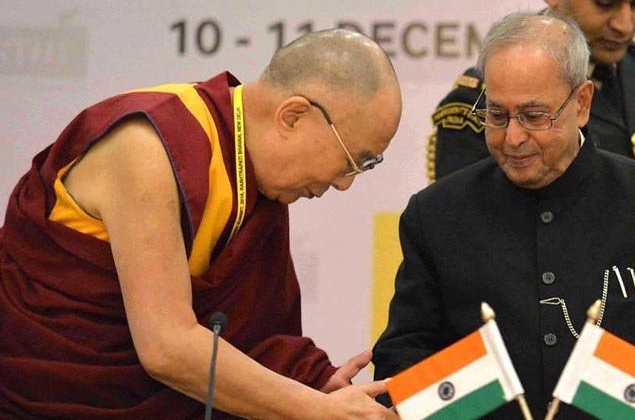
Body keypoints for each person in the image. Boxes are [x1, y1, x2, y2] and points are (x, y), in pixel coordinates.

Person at [0, 29, 402, 419]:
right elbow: (167, 347)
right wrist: (313, 410)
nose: (345, 183)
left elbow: (250, 337)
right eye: (353, 159)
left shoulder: (251, 180)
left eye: (366, 167)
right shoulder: (149, 146)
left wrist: (306, 388)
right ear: (293, 116)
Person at [374, 13, 635, 419]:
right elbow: (403, 357)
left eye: (535, 116)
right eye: (497, 115)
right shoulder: (436, 215)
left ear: (582, 103)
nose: (513, 138)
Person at [427, 0, 635, 317]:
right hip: (559, 328)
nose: (624, 23)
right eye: (605, 3)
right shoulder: (491, 99)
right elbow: (472, 256)